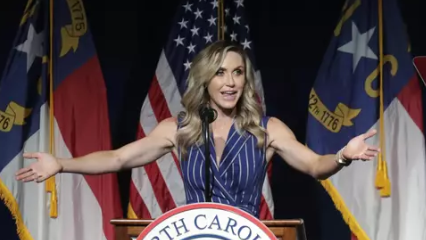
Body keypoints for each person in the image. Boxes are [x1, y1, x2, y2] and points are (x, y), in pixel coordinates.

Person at [15, 40, 379, 217]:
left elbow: (315, 166)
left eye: (238, 72)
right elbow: (118, 158)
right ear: (205, 80)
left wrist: (343, 156)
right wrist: (62, 164)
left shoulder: (267, 130)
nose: (231, 82)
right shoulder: (180, 129)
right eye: (220, 73)